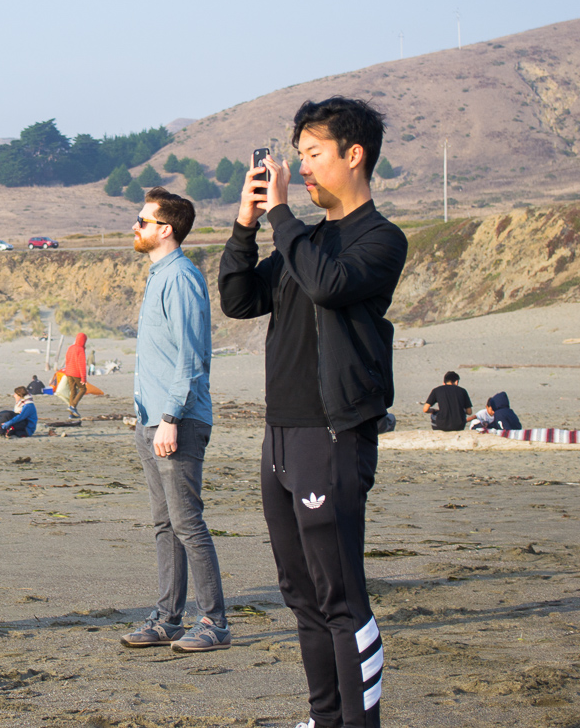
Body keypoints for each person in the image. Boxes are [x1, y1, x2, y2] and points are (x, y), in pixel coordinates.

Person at [220, 97, 405, 728]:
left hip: (332, 434)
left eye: (314, 154)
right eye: (297, 156)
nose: (301, 168)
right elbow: (241, 300)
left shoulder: (381, 238)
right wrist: (246, 225)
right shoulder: (306, 239)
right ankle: (325, 718)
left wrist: (280, 215)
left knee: (341, 596)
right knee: (301, 594)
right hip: (280, 436)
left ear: (355, 156)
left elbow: (328, 285)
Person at [120, 187, 229, 654]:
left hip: (176, 420)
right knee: (164, 524)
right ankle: (167, 618)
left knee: (187, 522)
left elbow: (190, 357)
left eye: (142, 220)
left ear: (165, 229)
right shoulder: (158, 275)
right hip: (152, 419)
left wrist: (169, 417)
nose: (135, 227)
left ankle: (215, 623)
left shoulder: (181, 277)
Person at [58, 333, 88, 417]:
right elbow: (81, 364)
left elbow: (67, 360)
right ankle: (73, 406)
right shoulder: (80, 349)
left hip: (69, 372)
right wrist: (84, 378)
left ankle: (71, 414)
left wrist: (67, 371)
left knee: (73, 392)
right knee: (83, 389)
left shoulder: (70, 347)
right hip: (76, 373)